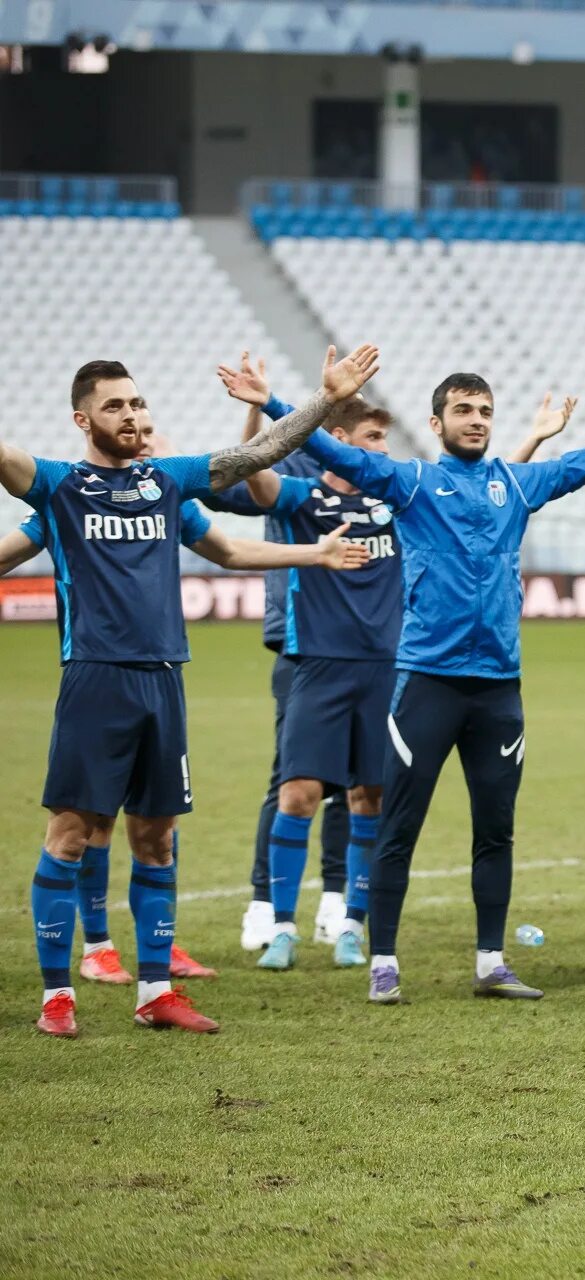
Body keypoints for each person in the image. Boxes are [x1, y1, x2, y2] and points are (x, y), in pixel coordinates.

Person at [286, 367, 585, 1005]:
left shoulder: (516, 486)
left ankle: (490, 962)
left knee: (496, 831)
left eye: (485, 410)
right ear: (437, 424)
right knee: (398, 828)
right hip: (427, 685)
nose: (476, 419)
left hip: (497, 690)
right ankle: (383, 961)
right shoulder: (410, 482)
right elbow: (324, 448)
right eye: (463, 409)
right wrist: (294, 401)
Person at [10, 346, 379, 1037]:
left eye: (138, 402)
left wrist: (326, 405)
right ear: (82, 418)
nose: (131, 414)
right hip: (94, 679)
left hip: (165, 683)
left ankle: (155, 991)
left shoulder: (166, 484)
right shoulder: (58, 485)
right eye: (115, 405)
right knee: (68, 836)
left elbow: (250, 486)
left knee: (157, 840)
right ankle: (58, 997)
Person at [218, 375, 407, 973]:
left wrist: (530, 442)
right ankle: (279, 926)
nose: (382, 448)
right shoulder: (302, 499)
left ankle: (351, 922)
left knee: (368, 797)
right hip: (316, 667)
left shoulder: (396, 503)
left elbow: (476, 489)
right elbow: (251, 473)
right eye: (373, 437)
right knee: (297, 794)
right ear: (338, 439)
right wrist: (257, 412)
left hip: (382, 668)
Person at [211, 360, 357, 955]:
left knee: (351, 783)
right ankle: (265, 904)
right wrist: (256, 405)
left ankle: (336, 902)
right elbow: (246, 468)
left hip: (362, 651)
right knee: (290, 780)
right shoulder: (296, 466)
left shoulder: (375, 479)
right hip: (298, 640)